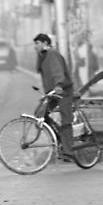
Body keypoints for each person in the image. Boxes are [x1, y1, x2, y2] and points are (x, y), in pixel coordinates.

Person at [33, 34, 75, 162]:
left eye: (38, 43)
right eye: (35, 44)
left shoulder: (52, 54)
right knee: (40, 114)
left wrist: (58, 85)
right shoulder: (43, 56)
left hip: (63, 91)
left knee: (66, 120)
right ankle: (59, 139)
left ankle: (69, 151)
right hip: (52, 93)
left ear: (45, 42)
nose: (35, 46)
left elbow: (57, 71)